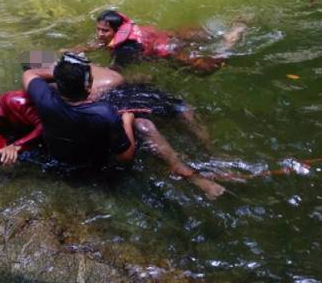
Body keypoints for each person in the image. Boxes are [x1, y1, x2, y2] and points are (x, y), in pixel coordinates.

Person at [22, 52, 225, 199]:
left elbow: (29, 73)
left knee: (31, 56)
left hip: (63, 159)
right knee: (145, 121)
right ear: (88, 85)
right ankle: (189, 168)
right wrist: (127, 120)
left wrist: (61, 71)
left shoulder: (45, 99)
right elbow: (125, 157)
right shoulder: (103, 112)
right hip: (97, 165)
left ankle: (196, 168)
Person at [77, 9, 245, 73]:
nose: (99, 34)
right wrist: (58, 54)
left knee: (206, 69)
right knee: (204, 35)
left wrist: (87, 67)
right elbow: (89, 46)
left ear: (116, 30)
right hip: (167, 35)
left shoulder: (125, 49)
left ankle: (231, 41)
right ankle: (232, 27)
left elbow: (112, 74)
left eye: (104, 31)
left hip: (169, 50)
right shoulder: (122, 31)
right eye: (98, 29)